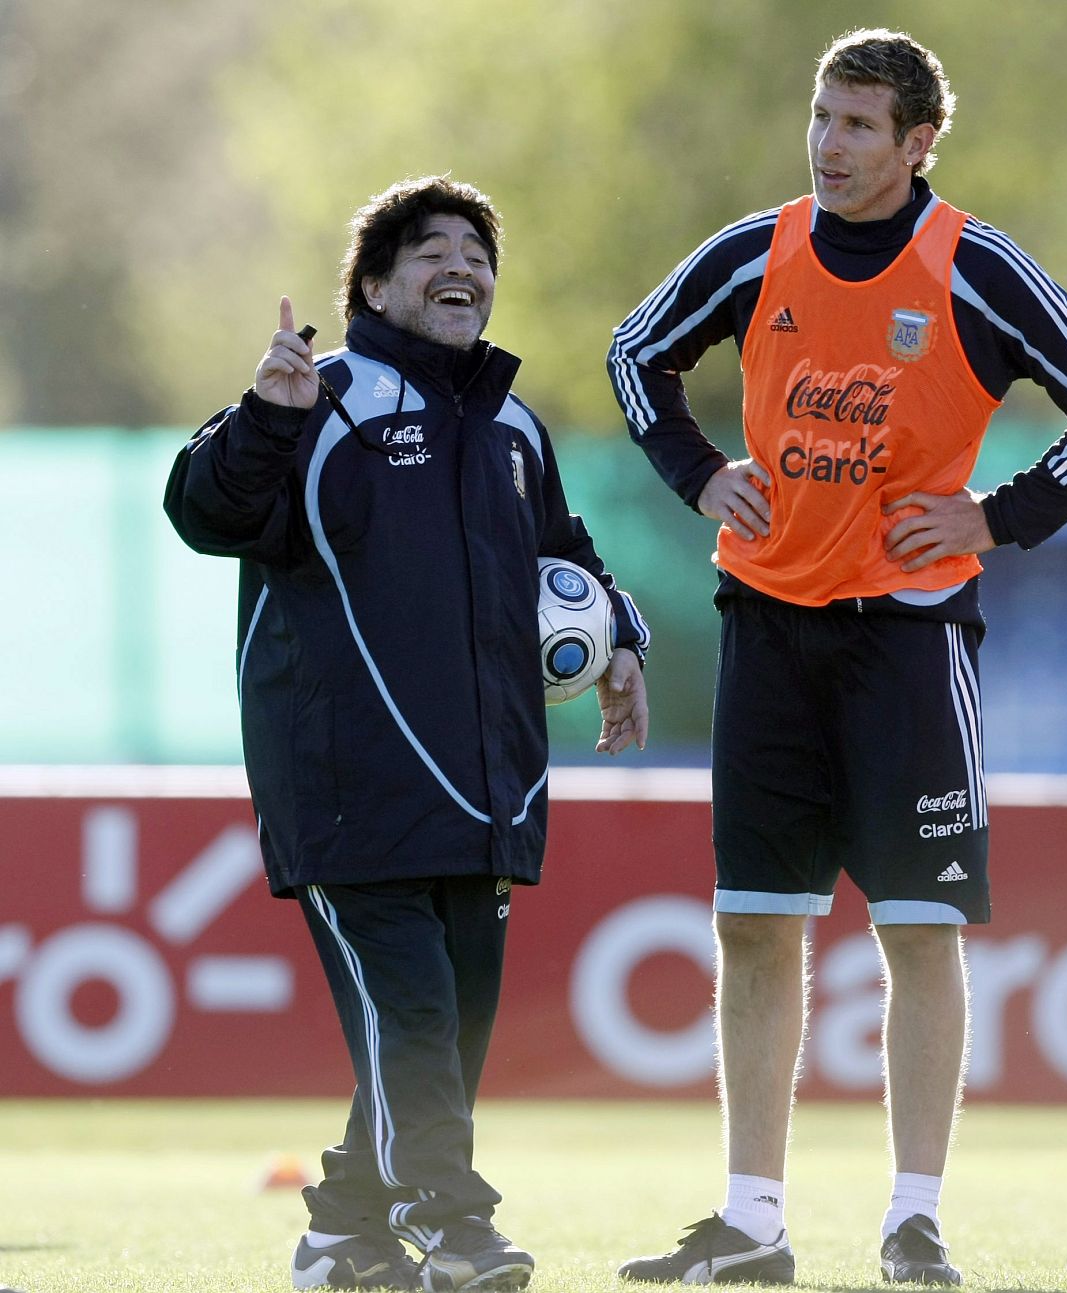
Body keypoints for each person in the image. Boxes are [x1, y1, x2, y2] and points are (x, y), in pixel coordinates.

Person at [609, 28, 1067, 1287]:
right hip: (766, 631)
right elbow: (635, 356)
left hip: (909, 644)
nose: (830, 145)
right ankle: (752, 1223)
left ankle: (914, 1219)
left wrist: (997, 515)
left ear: (917, 144)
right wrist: (700, 476)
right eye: (821, 118)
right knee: (754, 929)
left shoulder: (973, 267)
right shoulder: (757, 250)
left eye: (859, 127)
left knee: (917, 932)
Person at [165, 176, 651, 1293]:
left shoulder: (515, 424)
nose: (460, 265)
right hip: (347, 780)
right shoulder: (318, 395)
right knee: (418, 1017)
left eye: (476, 250)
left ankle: (343, 1232)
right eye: (429, 249)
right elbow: (206, 511)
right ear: (375, 285)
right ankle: (456, 1226)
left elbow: (564, 554)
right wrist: (262, 417)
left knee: (445, 1035)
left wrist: (622, 635)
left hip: (489, 788)